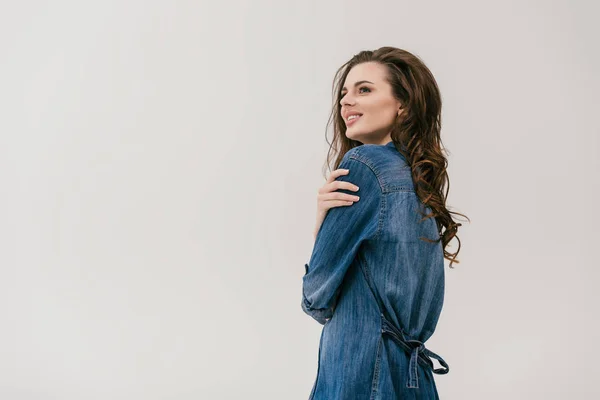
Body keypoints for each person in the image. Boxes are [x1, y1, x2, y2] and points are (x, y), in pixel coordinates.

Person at [301, 47, 469, 399]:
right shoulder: (418, 179)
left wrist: (322, 223)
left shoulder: (364, 165)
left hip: (360, 372)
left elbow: (316, 299)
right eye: (344, 93)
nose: (346, 102)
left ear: (402, 104)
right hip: (412, 378)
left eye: (364, 90)